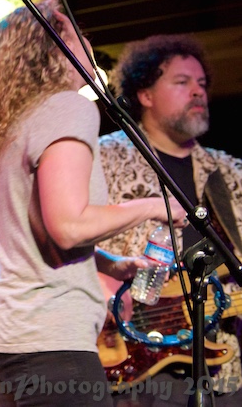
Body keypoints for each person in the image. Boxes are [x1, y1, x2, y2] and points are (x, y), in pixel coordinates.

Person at [0, 0, 186, 407]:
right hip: (49, 339)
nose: (87, 40)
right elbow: (67, 226)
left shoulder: (20, 116)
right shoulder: (68, 108)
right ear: (53, 48)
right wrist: (155, 205)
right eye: (76, 31)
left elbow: (41, 227)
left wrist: (107, 263)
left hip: (8, 334)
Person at [98, 34, 242, 405]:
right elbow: (69, 237)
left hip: (222, 366)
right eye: (182, 82)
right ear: (145, 95)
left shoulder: (229, 171)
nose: (198, 92)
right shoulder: (104, 157)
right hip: (130, 353)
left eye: (202, 84)